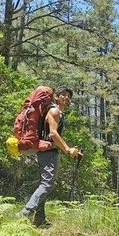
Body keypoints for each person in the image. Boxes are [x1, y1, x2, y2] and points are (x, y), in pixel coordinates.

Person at [18, 86, 82, 227]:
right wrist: (67, 149)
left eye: (68, 96)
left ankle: (40, 219)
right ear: (56, 97)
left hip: (46, 151)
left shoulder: (54, 111)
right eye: (63, 95)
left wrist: (70, 149)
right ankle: (24, 214)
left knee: (44, 184)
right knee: (46, 185)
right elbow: (53, 133)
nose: (66, 97)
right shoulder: (54, 111)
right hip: (48, 152)